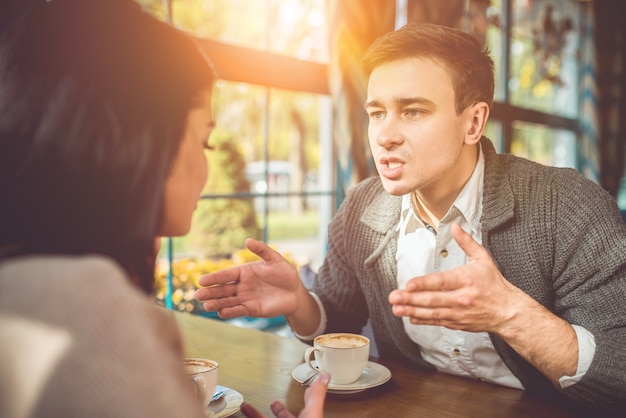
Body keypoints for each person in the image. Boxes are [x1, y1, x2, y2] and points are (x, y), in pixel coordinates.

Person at [195, 22, 626, 414]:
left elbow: (619, 373)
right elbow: (339, 322)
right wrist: (300, 303)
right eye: (377, 112)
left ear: (473, 123)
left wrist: (509, 314)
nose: (384, 135)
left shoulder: (566, 207)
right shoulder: (363, 208)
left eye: (413, 110)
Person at [0, 0, 327, 417]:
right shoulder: (95, 314)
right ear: (135, 140)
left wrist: (300, 300)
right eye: (203, 140)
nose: (206, 164)